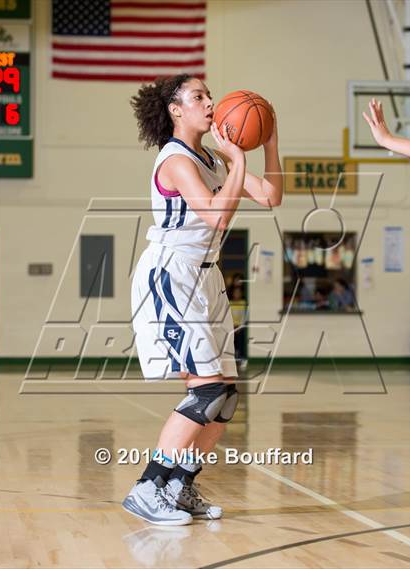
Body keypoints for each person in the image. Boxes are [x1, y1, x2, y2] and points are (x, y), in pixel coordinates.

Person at [122, 74, 282, 525]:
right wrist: (236, 162)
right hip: (171, 273)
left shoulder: (211, 155)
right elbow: (214, 216)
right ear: (176, 109)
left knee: (226, 395)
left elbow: (270, 197)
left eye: (210, 95)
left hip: (207, 276)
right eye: (198, 97)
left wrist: (268, 139)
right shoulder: (174, 160)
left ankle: (180, 486)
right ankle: (147, 487)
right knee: (206, 389)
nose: (210, 102)